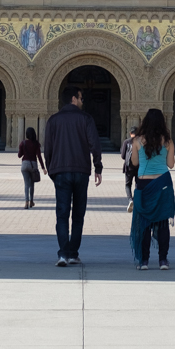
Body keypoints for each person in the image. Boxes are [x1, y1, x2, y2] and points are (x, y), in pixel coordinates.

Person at [43, 87, 103, 266]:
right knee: (78, 214)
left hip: (60, 171)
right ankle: (72, 253)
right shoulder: (85, 119)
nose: (82, 101)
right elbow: (95, 144)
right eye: (81, 97)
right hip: (81, 171)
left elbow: (48, 148)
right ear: (73, 99)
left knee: (62, 214)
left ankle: (62, 254)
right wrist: (98, 167)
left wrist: (52, 170)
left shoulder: (53, 120)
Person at [129, 107, 175, 270]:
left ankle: (144, 261)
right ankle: (163, 260)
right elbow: (170, 164)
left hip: (144, 184)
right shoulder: (168, 141)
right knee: (162, 222)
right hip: (162, 183)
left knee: (144, 224)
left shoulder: (137, 141)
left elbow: (135, 163)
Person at [17, 126, 42, 209]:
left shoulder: (23, 143)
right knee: (32, 184)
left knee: (26, 184)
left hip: (24, 165)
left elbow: (19, 155)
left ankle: (26, 202)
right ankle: (31, 201)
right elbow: (39, 156)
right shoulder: (36, 144)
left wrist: (21, 149)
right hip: (33, 165)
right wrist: (43, 167)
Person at [121, 125, 140, 210]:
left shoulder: (126, 142)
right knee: (138, 184)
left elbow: (122, 156)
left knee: (128, 185)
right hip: (139, 167)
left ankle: (130, 200)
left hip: (129, 167)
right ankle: (135, 200)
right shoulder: (141, 142)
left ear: (130, 133)